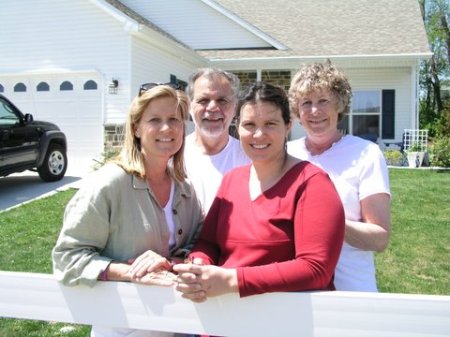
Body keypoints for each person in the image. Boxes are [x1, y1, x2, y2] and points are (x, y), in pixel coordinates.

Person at [52, 84, 204, 337]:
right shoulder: (108, 184)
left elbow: (199, 244)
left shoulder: (185, 189)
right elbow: (68, 258)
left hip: (179, 323)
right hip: (122, 325)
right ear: (136, 127)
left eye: (174, 120)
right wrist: (132, 273)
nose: (166, 128)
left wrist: (171, 263)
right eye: (155, 119)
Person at [174, 82, 345, 303]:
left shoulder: (312, 184)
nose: (259, 134)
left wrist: (233, 280)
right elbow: (208, 243)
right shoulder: (232, 180)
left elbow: (316, 268)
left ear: (288, 126)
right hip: (223, 318)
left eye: (270, 124)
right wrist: (198, 264)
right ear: (237, 127)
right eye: (249, 124)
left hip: (283, 323)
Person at [287, 62, 391, 292]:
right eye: (306, 103)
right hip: (296, 293)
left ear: (339, 104)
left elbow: (379, 238)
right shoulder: (286, 154)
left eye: (323, 100)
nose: (315, 111)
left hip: (351, 292)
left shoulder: (365, 154)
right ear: (297, 111)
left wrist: (328, 222)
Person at [184, 68, 250, 213]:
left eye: (222, 100)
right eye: (203, 100)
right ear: (189, 106)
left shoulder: (250, 158)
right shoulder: (172, 156)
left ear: (235, 107)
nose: (213, 107)